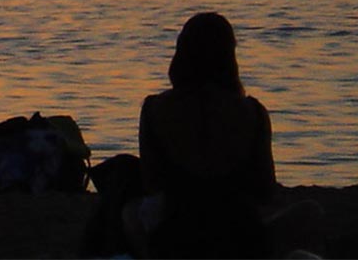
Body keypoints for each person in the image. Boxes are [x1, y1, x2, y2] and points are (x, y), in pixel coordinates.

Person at [121, 13, 322, 258]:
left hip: (175, 238)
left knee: (130, 212)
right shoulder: (252, 112)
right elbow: (264, 190)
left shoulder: (154, 109)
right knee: (309, 213)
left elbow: (152, 183)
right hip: (242, 239)